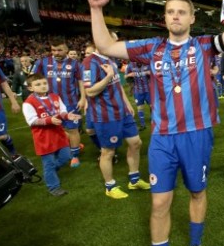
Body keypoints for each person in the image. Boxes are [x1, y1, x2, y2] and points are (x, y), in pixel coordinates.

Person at [87, 0, 224, 246]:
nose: (175, 16)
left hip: (197, 135)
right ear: (165, 18)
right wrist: (95, 10)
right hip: (162, 138)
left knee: (196, 192)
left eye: (181, 12)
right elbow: (106, 45)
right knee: (159, 202)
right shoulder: (150, 48)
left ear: (191, 18)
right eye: (170, 12)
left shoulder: (205, 45)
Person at [82, 41, 149, 199]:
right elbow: (90, 91)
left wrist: (127, 104)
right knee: (108, 152)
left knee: (136, 143)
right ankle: (110, 186)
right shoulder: (89, 62)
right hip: (106, 115)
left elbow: (118, 86)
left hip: (122, 112)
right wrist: (109, 76)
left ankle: (134, 179)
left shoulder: (110, 59)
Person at [22, 73, 82, 196]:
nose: (43, 86)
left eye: (44, 83)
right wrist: (49, 120)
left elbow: (62, 111)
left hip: (59, 134)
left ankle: (50, 172)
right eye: (38, 84)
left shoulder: (55, 97)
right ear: (30, 88)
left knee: (66, 157)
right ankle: (54, 187)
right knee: (48, 163)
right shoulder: (29, 102)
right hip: (44, 138)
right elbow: (31, 121)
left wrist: (67, 116)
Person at [32, 37, 87, 167]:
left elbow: (81, 82)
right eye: (53, 50)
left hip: (71, 103)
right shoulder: (42, 62)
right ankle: (67, 148)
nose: (56, 53)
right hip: (49, 104)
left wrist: (83, 98)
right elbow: (35, 80)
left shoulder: (75, 64)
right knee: (55, 130)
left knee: (73, 129)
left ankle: (74, 156)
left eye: (59, 50)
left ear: (66, 49)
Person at [125, 60, 151, 130]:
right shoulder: (130, 65)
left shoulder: (147, 63)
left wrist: (147, 73)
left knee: (152, 106)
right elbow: (125, 76)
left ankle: (154, 121)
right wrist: (129, 75)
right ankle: (143, 125)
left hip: (148, 89)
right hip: (138, 90)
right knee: (140, 107)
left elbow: (154, 73)